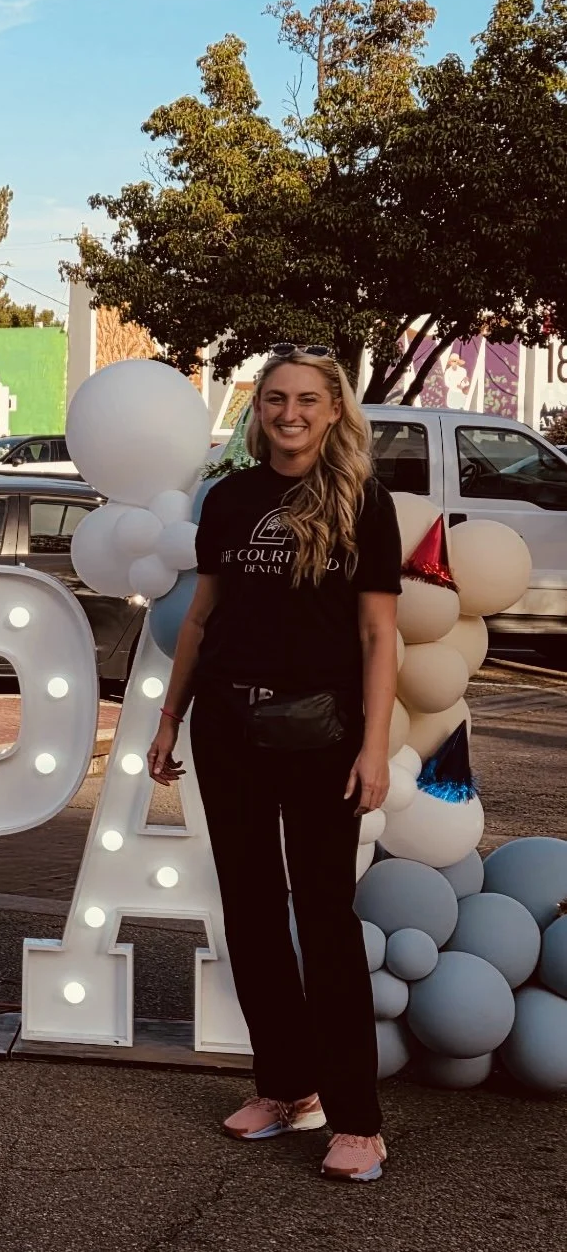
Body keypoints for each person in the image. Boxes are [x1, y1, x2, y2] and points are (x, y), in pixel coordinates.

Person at [147, 347, 400, 1183]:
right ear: (257, 410)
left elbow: (379, 634)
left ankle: (357, 1121)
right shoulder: (228, 498)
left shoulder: (364, 501)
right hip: (227, 727)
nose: (290, 413)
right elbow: (199, 619)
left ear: (334, 411)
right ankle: (287, 1087)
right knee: (251, 912)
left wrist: (373, 744)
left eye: (307, 400)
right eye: (275, 399)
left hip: (322, 732)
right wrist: (169, 717)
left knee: (325, 919)